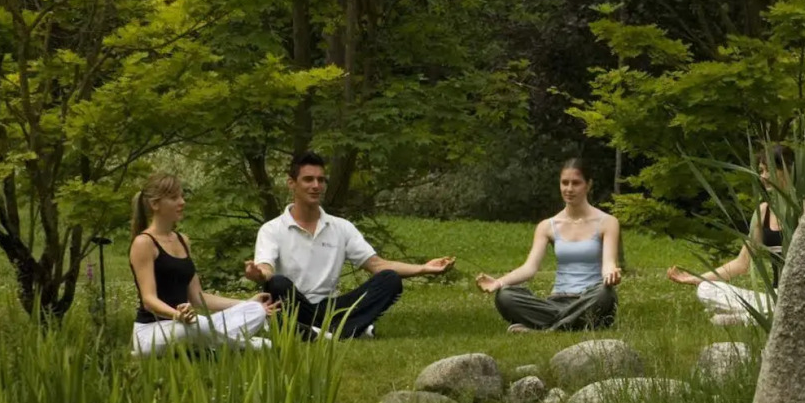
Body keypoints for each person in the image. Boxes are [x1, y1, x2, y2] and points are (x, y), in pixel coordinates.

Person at [244, 152, 455, 339]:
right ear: (292, 183)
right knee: (278, 284)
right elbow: (266, 269)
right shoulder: (272, 229)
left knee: (389, 279)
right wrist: (260, 274)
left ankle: (324, 332)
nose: (316, 186)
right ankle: (348, 329)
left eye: (321, 180)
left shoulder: (341, 227)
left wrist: (424, 268)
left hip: (331, 307)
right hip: (294, 305)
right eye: (308, 179)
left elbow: (377, 265)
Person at [129, 173, 278, 357]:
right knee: (194, 326)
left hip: (190, 324)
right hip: (153, 331)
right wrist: (178, 315)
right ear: (155, 204)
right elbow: (149, 300)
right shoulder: (144, 243)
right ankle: (249, 345)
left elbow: (198, 298)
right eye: (174, 197)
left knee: (255, 311)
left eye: (182, 196)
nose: (182, 202)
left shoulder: (183, 240)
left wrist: (246, 302)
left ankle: (210, 345)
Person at [475, 159, 621, 332]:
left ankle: (546, 330)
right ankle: (569, 324)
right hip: (557, 301)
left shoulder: (608, 222)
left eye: (576, 183)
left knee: (606, 295)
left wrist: (611, 273)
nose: (569, 189)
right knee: (506, 296)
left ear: (588, 185)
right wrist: (498, 282)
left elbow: (609, 263)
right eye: (564, 183)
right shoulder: (547, 226)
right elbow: (529, 268)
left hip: (589, 298)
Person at [666, 144, 794, 326]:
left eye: (769, 170)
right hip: (774, 296)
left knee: (788, 308)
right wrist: (695, 278)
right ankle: (762, 316)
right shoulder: (763, 212)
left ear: (787, 170)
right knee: (706, 289)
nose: (763, 176)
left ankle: (747, 319)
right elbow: (741, 264)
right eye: (761, 171)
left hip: (800, 298)